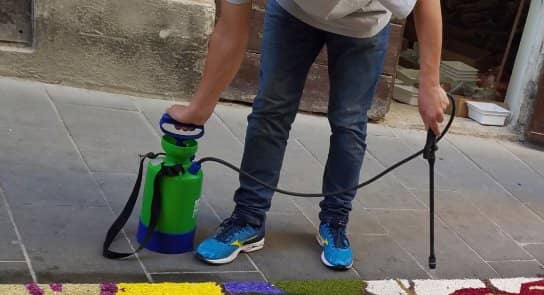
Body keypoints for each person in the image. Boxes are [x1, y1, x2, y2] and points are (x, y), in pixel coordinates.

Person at [166, 0, 449, 270]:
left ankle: (335, 222)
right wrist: (198, 109)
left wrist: (429, 84)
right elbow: (230, 30)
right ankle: (248, 218)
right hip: (293, 13)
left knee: (349, 123)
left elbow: (426, 3)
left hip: (365, 24)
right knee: (270, 111)